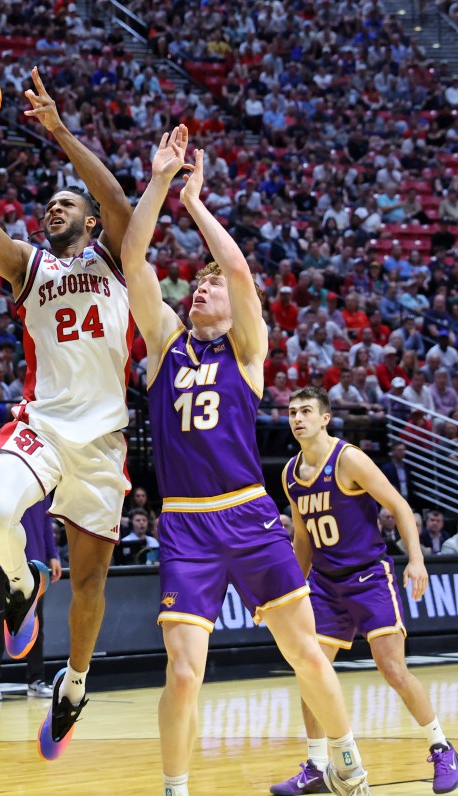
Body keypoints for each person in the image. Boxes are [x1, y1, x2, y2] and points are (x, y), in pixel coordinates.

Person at [120, 127, 370, 796]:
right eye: (195, 288)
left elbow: (236, 271)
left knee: (306, 652)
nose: (201, 291)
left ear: (235, 311)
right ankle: (177, 789)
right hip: (186, 526)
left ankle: (345, 759)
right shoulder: (163, 344)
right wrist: (160, 180)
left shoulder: (247, 353)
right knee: (182, 672)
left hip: (250, 516)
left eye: (209, 289)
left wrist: (197, 205)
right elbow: (134, 257)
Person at [0, 67, 134, 760]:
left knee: (92, 585)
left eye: (68, 202)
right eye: (49, 202)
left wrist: (59, 132)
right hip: (42, 425)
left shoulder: (117, 257)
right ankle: (21, 582)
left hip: (102, 443)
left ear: (90, 220)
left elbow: (120, 199)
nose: (55, 207)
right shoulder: (28, 267)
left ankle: (73, 683)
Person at [274, 386, 458, 795]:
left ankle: (441, 746)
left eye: (306, 411)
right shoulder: (290, 474)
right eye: (291, 412)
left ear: (325, 418)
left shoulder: (349, 459)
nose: (297, 418)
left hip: (368, 576)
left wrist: (416, 558)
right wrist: (290, 589)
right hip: (324, 583)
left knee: (392, 668)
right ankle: (317, 766)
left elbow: (399, 506)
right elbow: (303, 539)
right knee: (310, 670)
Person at [0, 496, 62, 702]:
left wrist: (53, 554)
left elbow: (45, 523)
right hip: (2, 561)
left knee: (34, 624)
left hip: (34, 562)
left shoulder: (41, 481)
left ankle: (36, 680)